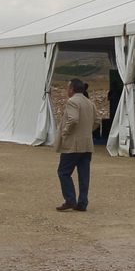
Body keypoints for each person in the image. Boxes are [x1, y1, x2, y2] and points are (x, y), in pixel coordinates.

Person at [56, 78, 95, 212]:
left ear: (72, 89)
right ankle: (82, 202)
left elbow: (73, 119)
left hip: (73, 144)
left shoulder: (72, 102)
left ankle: (70, 199)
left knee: (63, 172)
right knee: (84, 174)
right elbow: (96, 121)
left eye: (68, 88)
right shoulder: (89, 102)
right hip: (87, 143)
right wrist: (87, 132)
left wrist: (65, 131)